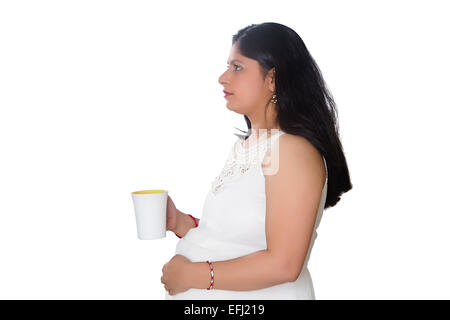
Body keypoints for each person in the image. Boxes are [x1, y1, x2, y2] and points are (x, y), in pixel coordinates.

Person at [160, 22, 352, 299]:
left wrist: (194, 275)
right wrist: (179, 222)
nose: (223, 78)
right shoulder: (248, 146)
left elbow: (284, 264)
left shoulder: (291, 150)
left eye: (237, 67)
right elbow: (235, 239)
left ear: (272, 79)